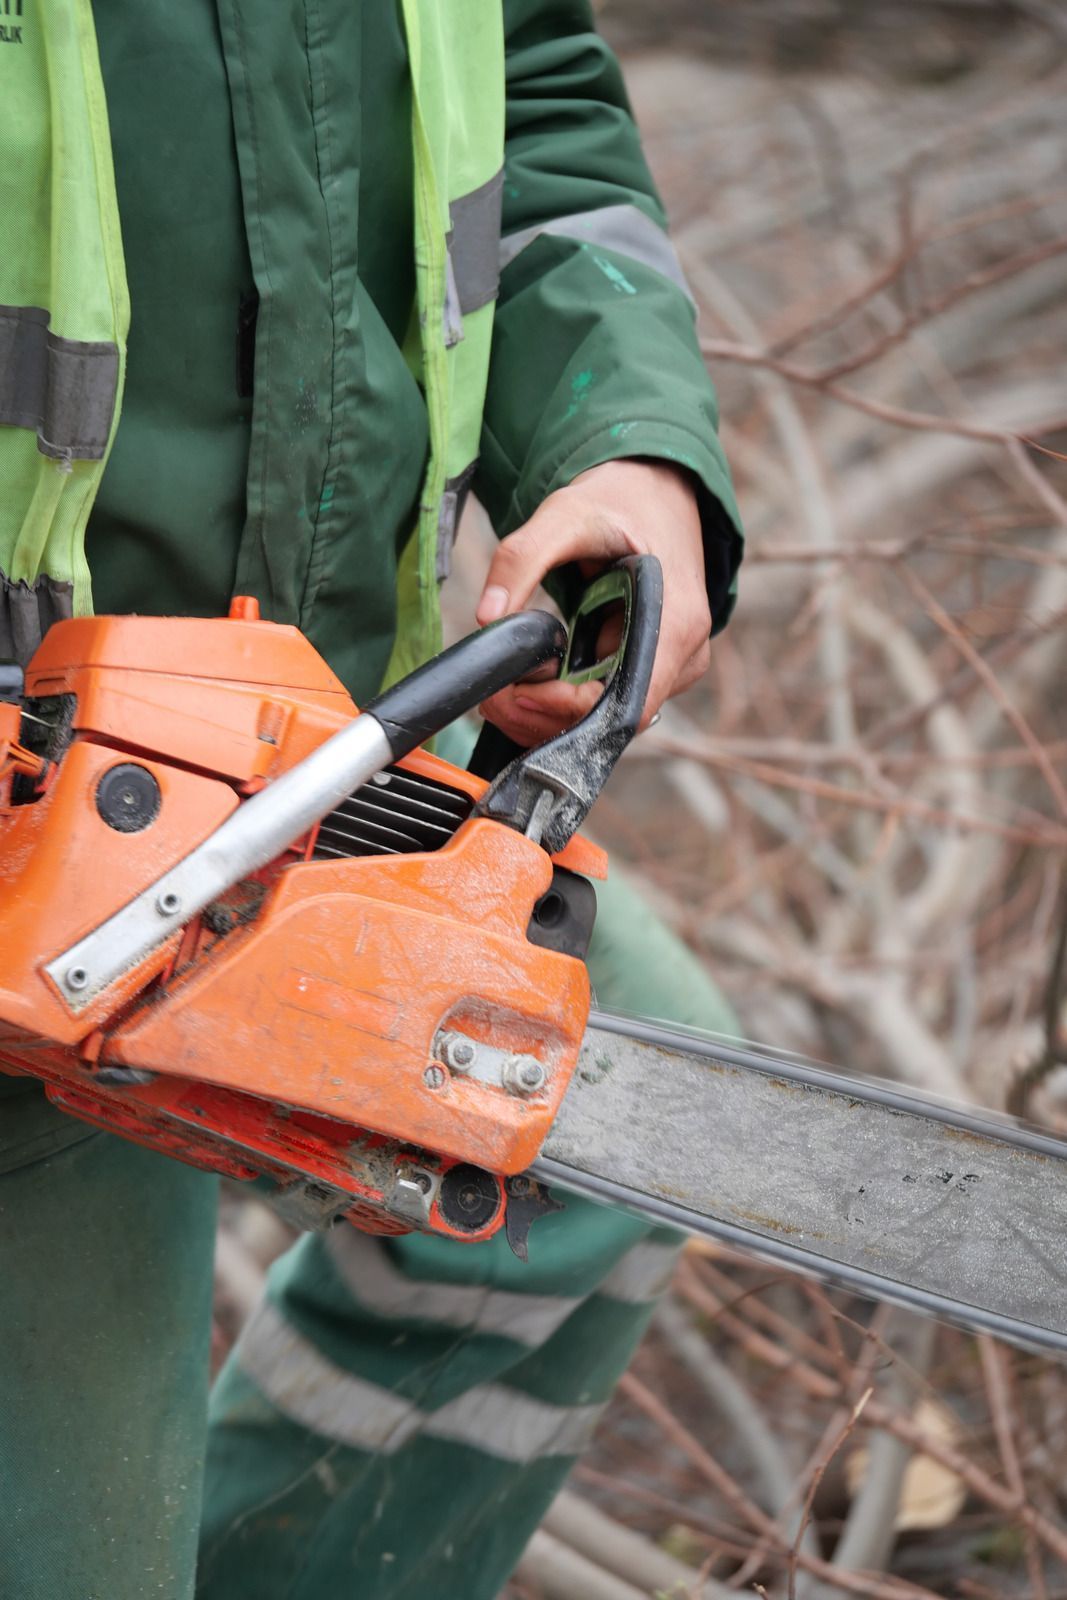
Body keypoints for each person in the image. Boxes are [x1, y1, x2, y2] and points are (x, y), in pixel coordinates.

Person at [0, 3, 743, 1596]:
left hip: (303, 727)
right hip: (37, 834)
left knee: (575, 1139)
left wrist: (627, 447)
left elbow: (531, 88)